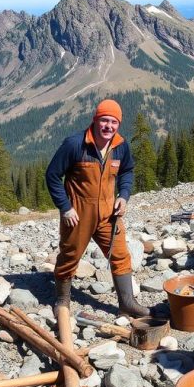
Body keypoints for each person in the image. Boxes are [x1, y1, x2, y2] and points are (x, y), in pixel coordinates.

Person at [45, 98, 152, 317]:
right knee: (70, 255)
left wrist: (123, 196)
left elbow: (127, 171)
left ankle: (127, 303)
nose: (108, 126)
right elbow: (52, 175)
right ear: (95, 120)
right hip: (78, 214)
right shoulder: (75, 144)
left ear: (118, 125)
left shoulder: (120, 146)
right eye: (104, 120)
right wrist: (65, 207)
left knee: (121, 255)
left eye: (113, 122)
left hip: (108, 215)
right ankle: (63, 299)